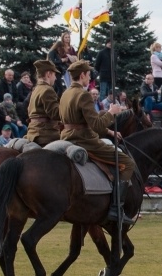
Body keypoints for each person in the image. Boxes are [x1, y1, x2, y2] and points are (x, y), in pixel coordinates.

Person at [59, 60, 135, 223]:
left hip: (66, 137)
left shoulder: (65, 94)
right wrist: (111, 113)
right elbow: (98, 127)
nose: (90, 78)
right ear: (82, 75)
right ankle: (116, 209)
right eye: (88, 75)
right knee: (128, 163)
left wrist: (104, 117)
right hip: (85, 140)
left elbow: (81, 119)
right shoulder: (83, 95)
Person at [24, 60, 61, 146]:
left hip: (33, 132)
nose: (55, 78)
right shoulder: (47, 90)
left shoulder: (36, 89)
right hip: (46, 135)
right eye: (54, 75)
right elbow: (55, 114)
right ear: (48, 74)